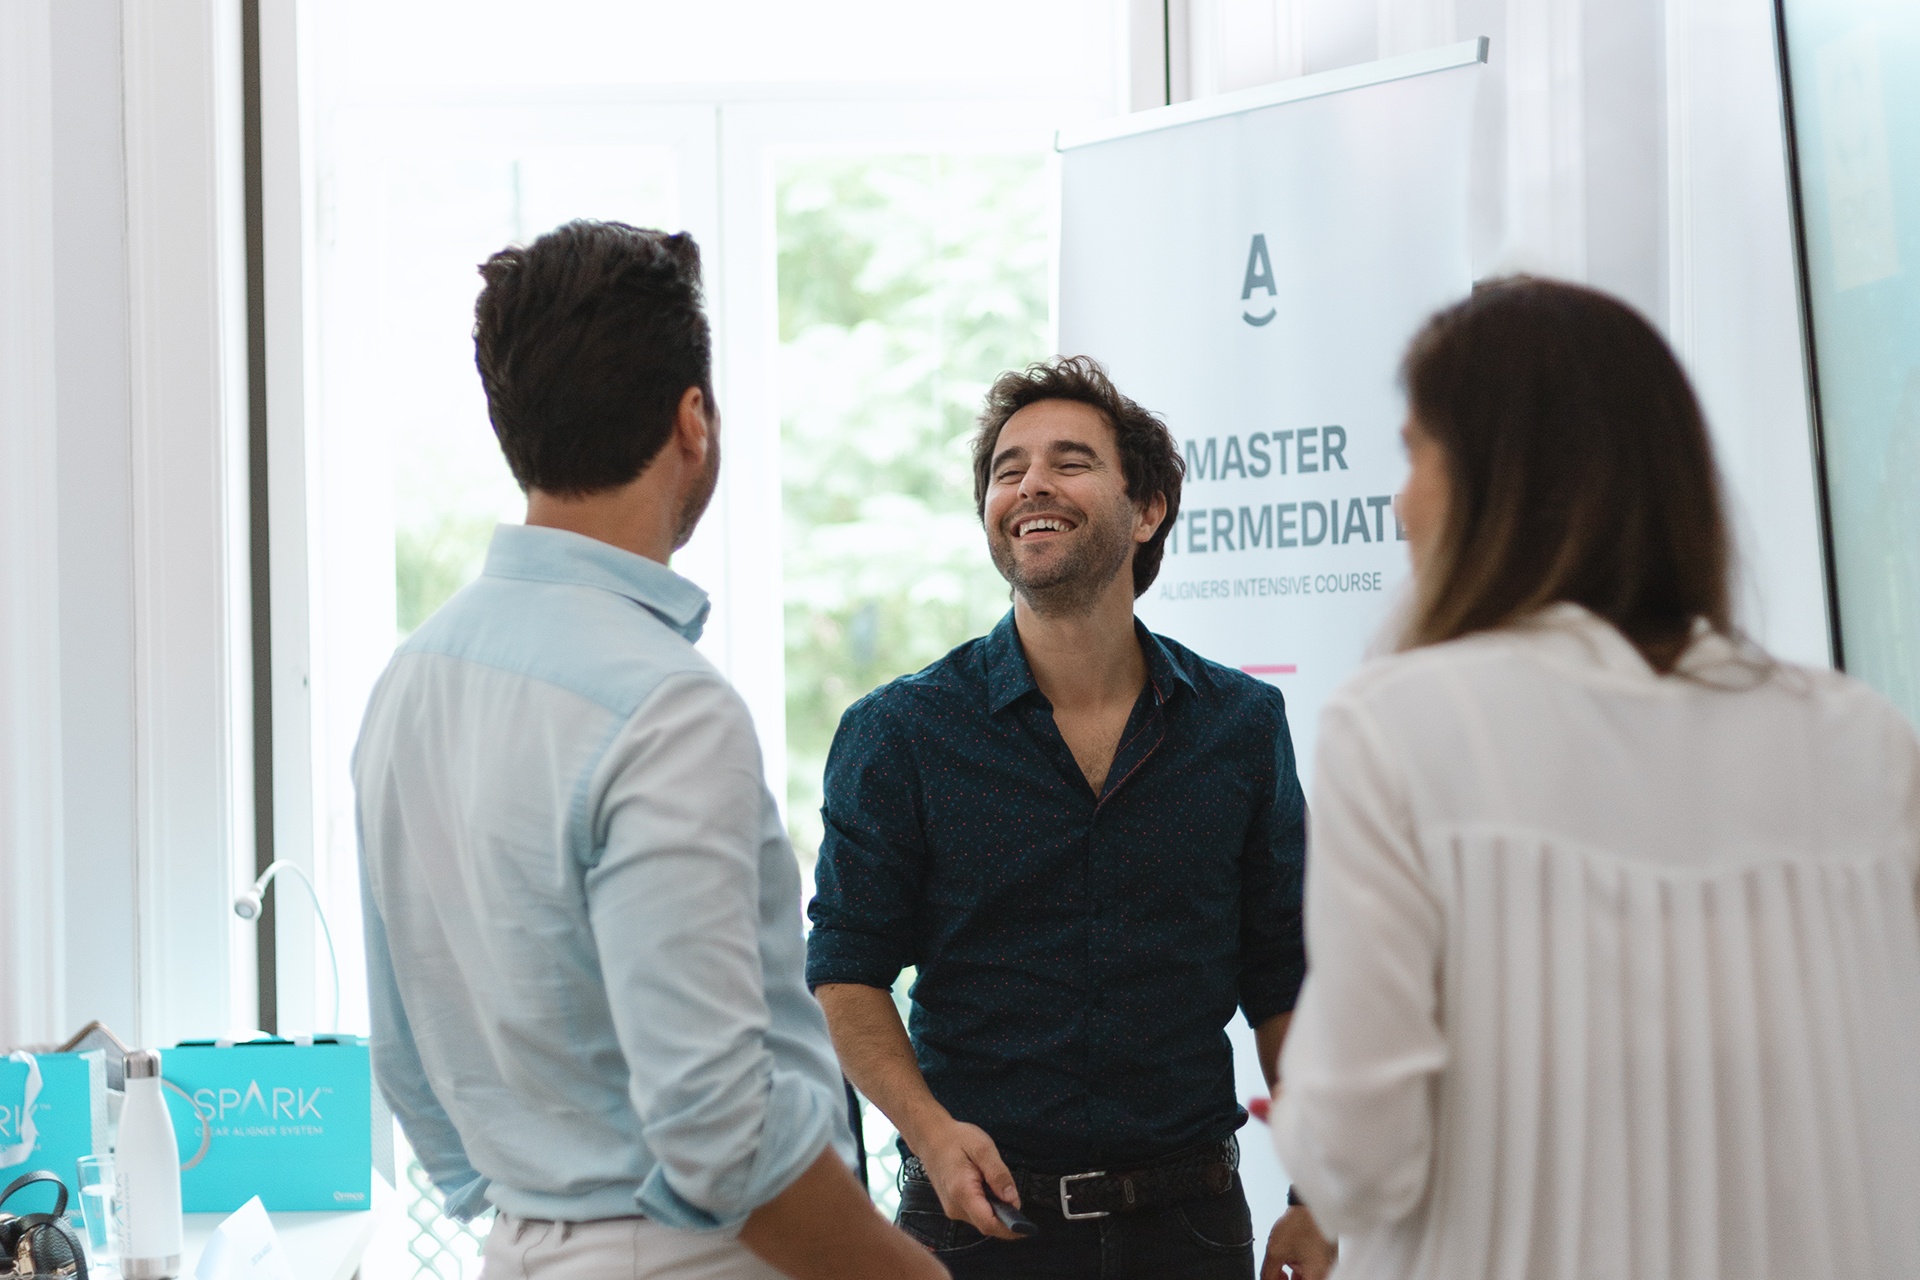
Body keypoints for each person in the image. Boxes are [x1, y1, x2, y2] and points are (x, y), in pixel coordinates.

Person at [1271, 276, 1920, 1278]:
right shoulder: (1865, 739)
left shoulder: (1399, 725)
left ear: (1498, 481)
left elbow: (1358, 1160)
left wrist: (1304, 1105)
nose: (1399, 504)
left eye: (1414, 454)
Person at [354, 220, 946, 1280]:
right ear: (692, 421)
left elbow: (405, 1060)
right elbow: (721, 1134)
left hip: (519, 1243)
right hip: (696, 1252)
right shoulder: (667, 706)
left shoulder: (412, 679)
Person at [805, 355, 1333, 1280]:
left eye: (1069, 461)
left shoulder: (1242, 727)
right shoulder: (899, 732)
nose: (1030, 485)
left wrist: (1318, 1191)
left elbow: (1285, 976)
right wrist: (928, 1131)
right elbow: (847, 971)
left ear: (1148, 509)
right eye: (1007, 470)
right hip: (977, 1224)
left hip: (1190, 1231)